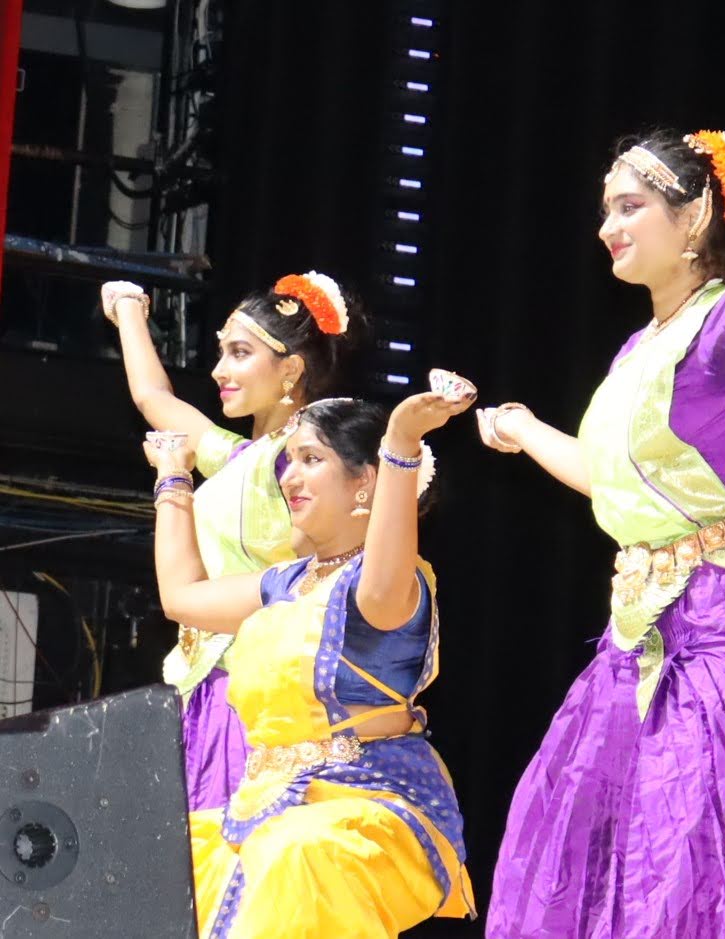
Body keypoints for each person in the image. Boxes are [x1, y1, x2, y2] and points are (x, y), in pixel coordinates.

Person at [479, 66, 725, 937]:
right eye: (605, 210)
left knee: (695, 839)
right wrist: (522, 427)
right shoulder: (637, 350)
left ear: (693, 217)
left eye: (629, 206)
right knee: (572, 823)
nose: (606, 227)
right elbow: (608, 477)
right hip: (649, 623)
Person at [144, 389, 477, 937]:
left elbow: (382, 568)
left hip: (365, 808)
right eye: (288, 461)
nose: (289, 476)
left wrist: (401, 443)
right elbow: (181, 597)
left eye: (311, 459)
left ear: (364, 482)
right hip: (267, 805)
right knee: (158, 860)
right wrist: (173, 476)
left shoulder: (385, 587)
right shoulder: (287, 583)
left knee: (293, 856)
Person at [102, 271, 366, 811]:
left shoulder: (297, 458)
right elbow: (153, 397)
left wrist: (173, 480)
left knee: (220, 853)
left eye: (240, 353)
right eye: (222, 352)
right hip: (207, 685)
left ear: (290, 369)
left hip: (249, 699)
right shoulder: (247, 456)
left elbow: (320, 578)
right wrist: (128, 309)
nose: (219, 370)